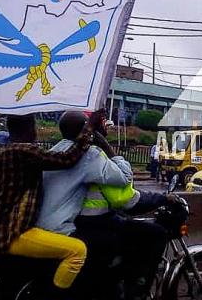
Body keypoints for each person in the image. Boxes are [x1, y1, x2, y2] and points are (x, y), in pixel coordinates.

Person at [0, 114, 94, 293]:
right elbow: (67, 159)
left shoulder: (0, 155)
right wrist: (89, 130)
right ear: (30, 129)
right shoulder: (24, 151)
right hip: (13, 233)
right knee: (77, 251)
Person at [72, 111, 174, 300]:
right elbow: (126, 200)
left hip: (73, 224)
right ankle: (137, 289)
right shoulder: (95, 157)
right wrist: (162, 198)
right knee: (156, 233)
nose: (107, 129)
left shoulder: (64, 153)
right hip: (98, 224)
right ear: (93, 131)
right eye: (104, 124)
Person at [33, 110, 134, 293]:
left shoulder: (52, 151)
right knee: (110, 251)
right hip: (61, 229)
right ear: (88, 132)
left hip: (37, 228)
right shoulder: (90, 155)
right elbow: (124, 178)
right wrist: (104, 145)